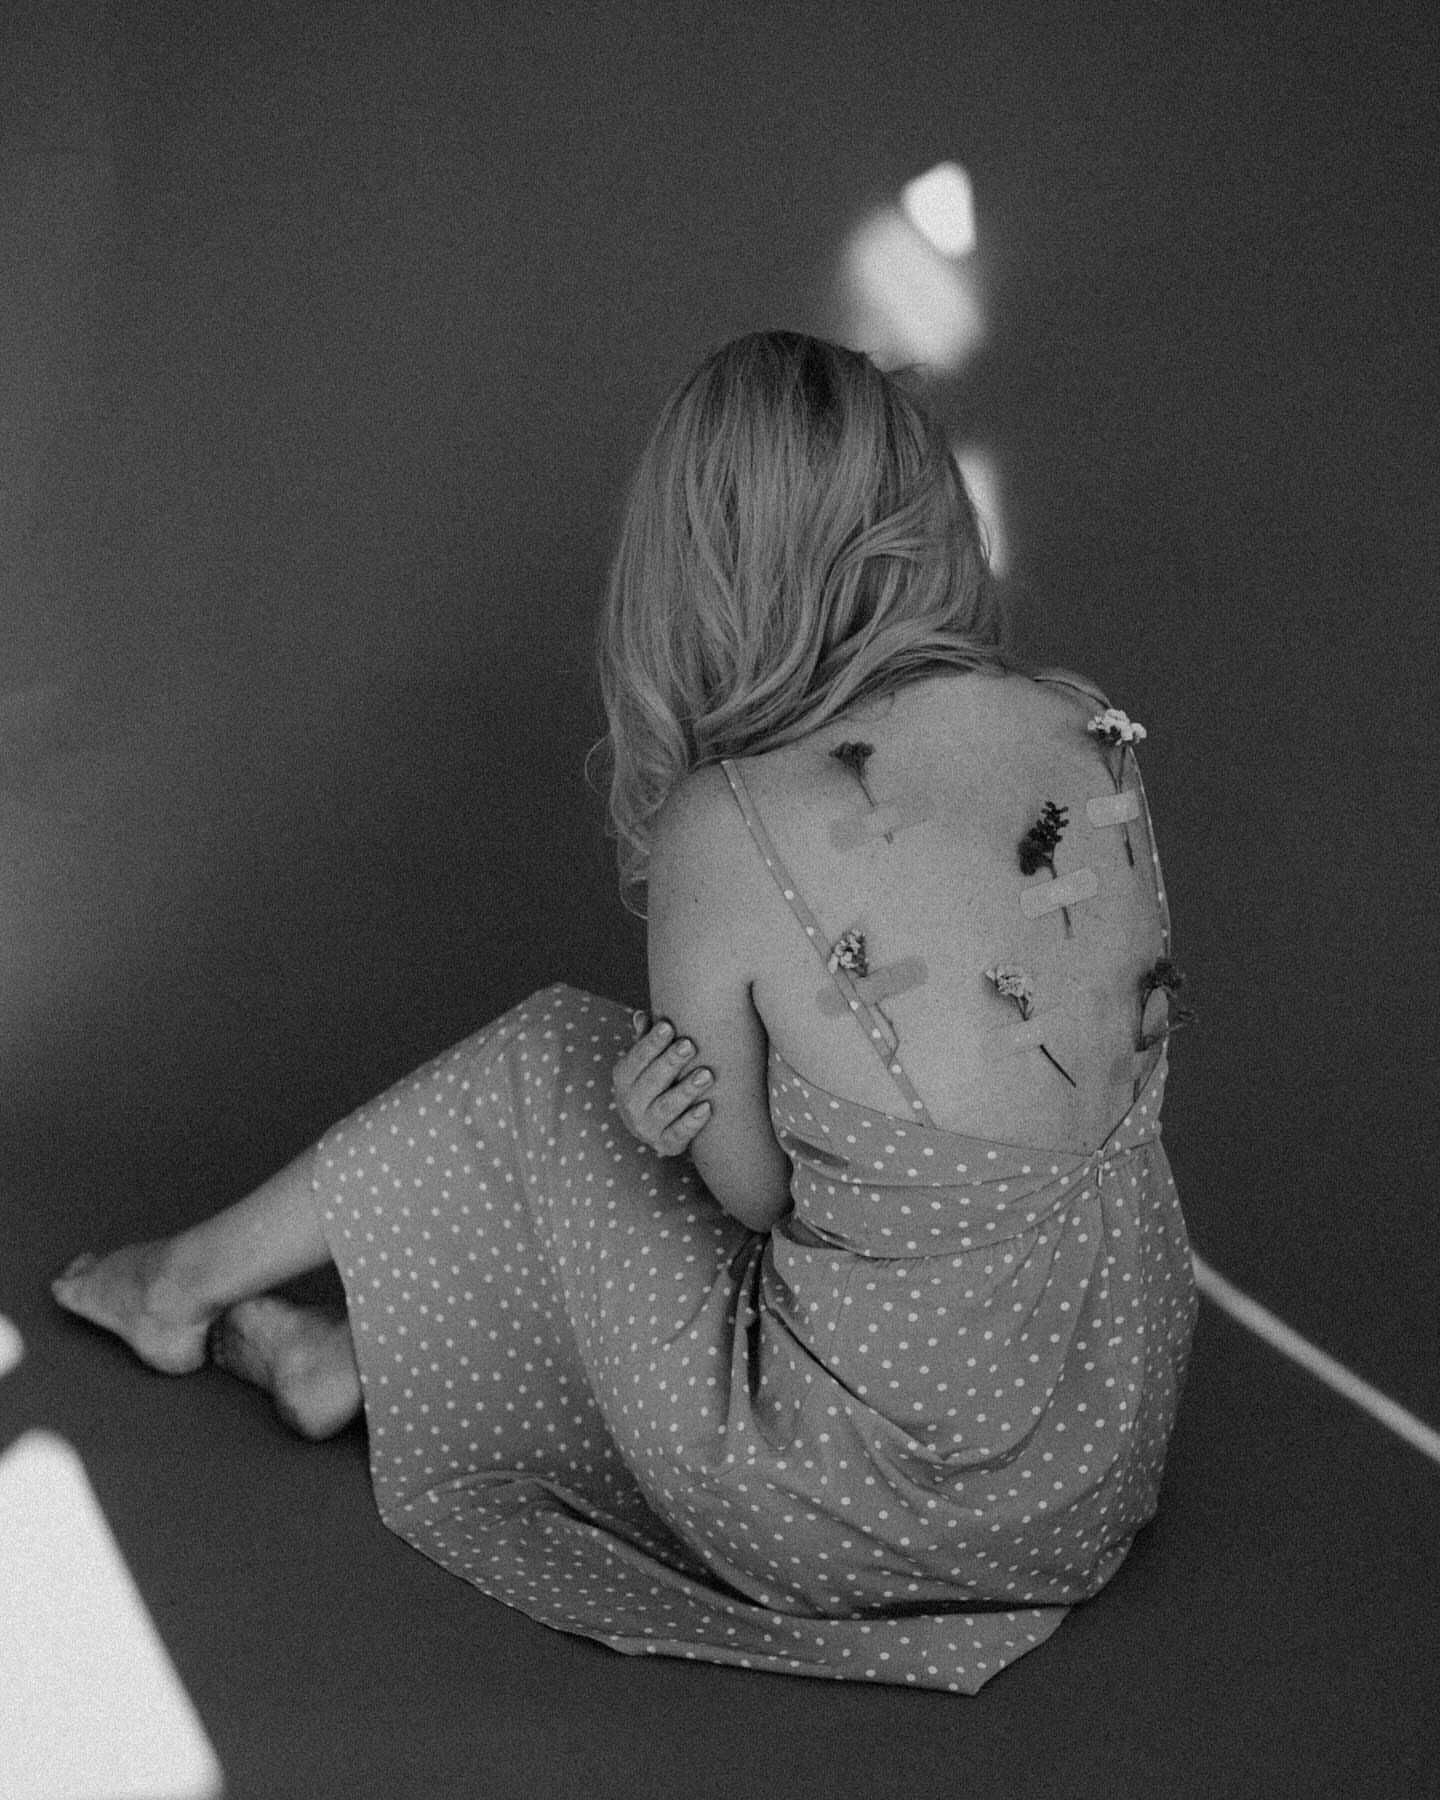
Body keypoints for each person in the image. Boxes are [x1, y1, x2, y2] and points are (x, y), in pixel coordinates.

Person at [51, 330, 1197, 1692]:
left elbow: (760, 1202)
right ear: (926, 511)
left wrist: (676, 1134)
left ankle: (178, 1286)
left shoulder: (737, 823)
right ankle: (345, 1362)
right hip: (1093, 1451)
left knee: (553, 1066)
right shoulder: (1080, 726)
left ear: (701, 562)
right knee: (713, 1150)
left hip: (870, 1507)